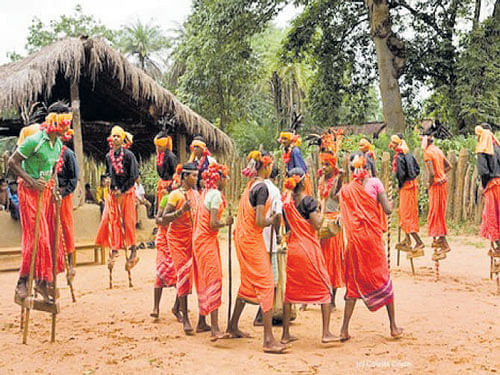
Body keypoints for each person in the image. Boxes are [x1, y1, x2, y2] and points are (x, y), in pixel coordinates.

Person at [9, 101, 72, 302]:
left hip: (45, 195)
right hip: (28, 193)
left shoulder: (59, 144)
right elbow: (12, 162)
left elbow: (53, 169)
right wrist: (32, 181)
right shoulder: (35, 140)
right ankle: (23, 282)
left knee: (48, 239)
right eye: (64, 122)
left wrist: (53, 188)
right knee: (37, 239)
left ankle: (43, 282)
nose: (66, 127)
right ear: (54, 121)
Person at [338, 152, 403, 341]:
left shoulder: (347, 190)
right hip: (372, 241)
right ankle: (393, 326)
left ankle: (344, 329)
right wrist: (392, 201)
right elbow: (388, 210)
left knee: (353, 284)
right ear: (366, 167)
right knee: (383, 277)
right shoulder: (375, 184)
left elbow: (336, 196)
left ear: (352, 170)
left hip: (355, 242)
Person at [227, 150, 287, 354]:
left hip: (244, 238)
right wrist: (274, 220)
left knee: (247, 283)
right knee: (267, 283)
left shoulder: (251, 185)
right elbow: (260, 221)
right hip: (251, 240)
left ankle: (232, 325)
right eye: (270, 165)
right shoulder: (262, 188)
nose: (272, 168)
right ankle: (268, 339)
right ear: (265, 166)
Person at [281, 167, 339, 344]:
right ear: (304, 181)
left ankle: (285, 334)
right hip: (308, 249)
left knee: (290, 292)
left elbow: (288, 228)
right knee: (325, 287)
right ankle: (326, 333)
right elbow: (316, 224)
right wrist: (320, 212)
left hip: (293, 249)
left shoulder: (286, 203)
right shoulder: (308, 201)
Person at [161, 162, 205, 335]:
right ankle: (185, 317)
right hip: (177, 240)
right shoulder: (175, 195)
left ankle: (175, 307)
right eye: (193, 175)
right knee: (184, 274)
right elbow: (164, 219)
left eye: (197, 175)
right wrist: (181, 211)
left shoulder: (196, 194)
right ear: (185, 176)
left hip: (191, 238)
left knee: (187, 276)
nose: (196, 178)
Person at [192, 163, 233, 341]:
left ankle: (202, 321)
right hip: (206, 240)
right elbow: (213, 223)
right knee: (213, 278)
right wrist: (227, 222)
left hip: (200, 240)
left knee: (204, 278)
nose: (227, 180)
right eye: (225, 177)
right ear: (219, 179)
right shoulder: (215, 195)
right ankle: (215, 328)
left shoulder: (205, 193)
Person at [95, 126, 140, 273]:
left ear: (122, 139)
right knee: (110, 219)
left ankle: (133, 249)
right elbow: (109, 172)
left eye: (118, 136)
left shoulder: (129, 156)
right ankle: (114, 248)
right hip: (113, 194)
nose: (115, 139)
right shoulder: (109, 156)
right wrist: (109, 183)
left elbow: (133, 175)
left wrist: (123, 189)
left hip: (126, 192)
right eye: (113, 136)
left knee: (128, 221)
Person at [254, 165, 282, 326]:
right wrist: (278, 235)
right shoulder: (274, 191)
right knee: (273, 281)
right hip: (268, 240)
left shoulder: (256, 186)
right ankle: (262, 316)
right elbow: (277, 216)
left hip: (257, 240)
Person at [318, 151, 345, 308]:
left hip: (333, 223)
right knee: (320, 259)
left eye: (327, 164)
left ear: (333, 166)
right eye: (323, 164)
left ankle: (332, 299)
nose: (324, 167)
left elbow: (337, 194)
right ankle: (319, 294)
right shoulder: (321, 180)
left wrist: (340, 178)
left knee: (333, 261)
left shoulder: (336, 181)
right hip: (321, 221)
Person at [389, 135, 424, 256]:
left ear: (396, 144)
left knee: (406, 216)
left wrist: (398, 184)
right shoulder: (408, 154)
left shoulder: (399, 157)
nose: (391, 145)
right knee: (405, 213)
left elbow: (401, 174)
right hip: (413, 186)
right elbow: (417, 169)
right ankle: (407, 239)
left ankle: (418, 242)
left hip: (406, 188)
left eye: (392, 143)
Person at [151, 185, 180, 321]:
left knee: (182, 276)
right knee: (160, 273)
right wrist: (173, 216)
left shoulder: (186, 198)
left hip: (179, 241)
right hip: (164, 240)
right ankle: (156, 308)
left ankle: (177, 307)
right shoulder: (166, 200)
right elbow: (158, 219)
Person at [422, 135, 451, 259]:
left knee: (435, 213)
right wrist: (443, 175)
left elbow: (432, 173)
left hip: (436, 186)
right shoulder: (438, 150)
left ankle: (443, 242)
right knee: (439, 212)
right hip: (443, 184)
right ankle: (440, 239)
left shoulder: (428, 153)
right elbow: (449, 166)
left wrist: (430, 183)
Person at [53, 143, 79, 280]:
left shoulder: (68, 154)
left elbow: (73, 180)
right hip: (48, 196)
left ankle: (70, 265)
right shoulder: (47, 152)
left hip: (64, 196)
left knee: (66, 227)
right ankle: (52, 266)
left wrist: (62, 193)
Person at [475, 124, 500, 256]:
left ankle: (499, 247)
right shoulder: (497, 147)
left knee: (493, 217)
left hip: (493, 186)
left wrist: (484, 186)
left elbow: (484, 172)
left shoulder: (482, 149)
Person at [278, 130, 312, 195]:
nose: (283, 141)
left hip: (297, 185)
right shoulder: (287, 151)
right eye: (282, 139)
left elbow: (300, 171)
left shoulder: (295, 151)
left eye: (285, 139)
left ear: (291, 140)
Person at [154, 131, 177, 206]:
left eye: (159, 146)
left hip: (169, 187)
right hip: (162, 186)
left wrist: (169, 189)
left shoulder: (171, 157)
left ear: (165, 146)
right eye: (156, 146)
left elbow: (176, 175)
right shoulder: (159, 156)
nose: (157, 148)